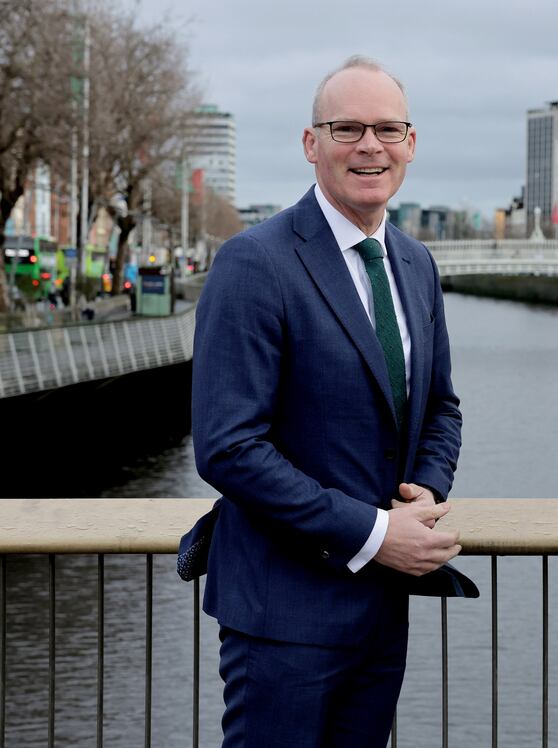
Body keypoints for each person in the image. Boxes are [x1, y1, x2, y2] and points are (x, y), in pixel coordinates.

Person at [190, 56, 463, 747]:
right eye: (346, 129)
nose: (369, 146)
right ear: (311, 144)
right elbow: (228, 447)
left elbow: (441, 410)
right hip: (283, 617)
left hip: (379, 615)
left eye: (387, 129)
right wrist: (376, 535)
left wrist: (422, 493)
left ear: (410, 143)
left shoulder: (415, 263)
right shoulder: (254, 263)